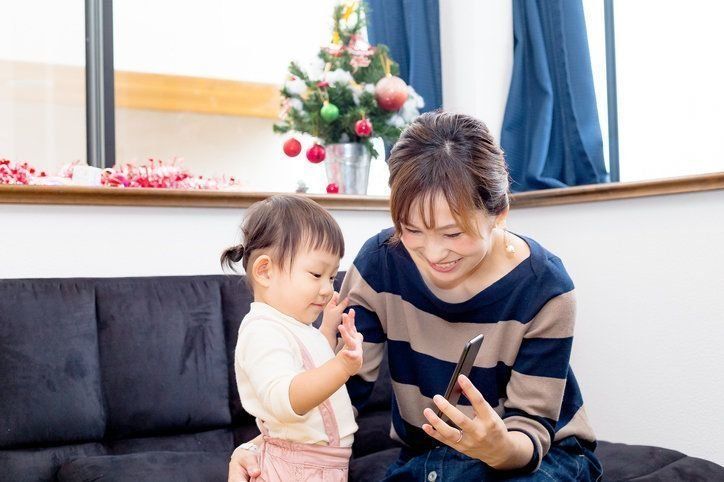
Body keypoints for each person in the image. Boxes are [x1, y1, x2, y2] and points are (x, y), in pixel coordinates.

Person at [229, 112, 602, 481]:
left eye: (453, 234)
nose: (434, 253)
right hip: (430, 456)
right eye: (412, 230)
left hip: (541, 458)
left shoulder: (544, 287)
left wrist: (498, 447)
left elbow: (531, 432)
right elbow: (336, 397)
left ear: (498, 214)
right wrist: (259, 450)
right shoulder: (381, 262)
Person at [221, 194, 363, 482]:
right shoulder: (262, 331)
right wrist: (342, 367)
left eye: (332, 277)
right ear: (265, 271)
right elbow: (287, 399)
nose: (327, 289)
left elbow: (307, 365)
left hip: (321, 465)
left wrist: (327, 330)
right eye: (316, 274)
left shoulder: (295, 326)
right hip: (296, 467)